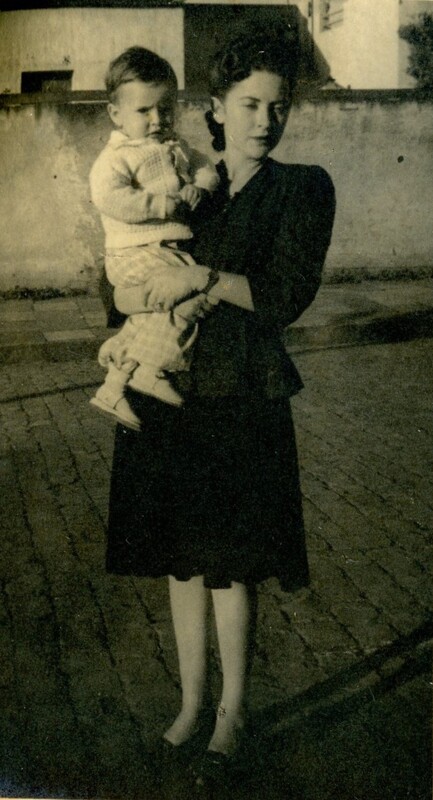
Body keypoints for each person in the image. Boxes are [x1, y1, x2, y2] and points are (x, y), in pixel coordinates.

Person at [102, 29, 336, 786]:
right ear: (216, 106)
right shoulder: (183, 176)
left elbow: (283, 295)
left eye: (278, 105)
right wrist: (132, 303)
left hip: (241, 394)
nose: (265, 120)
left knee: (231, 565)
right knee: (181, 557)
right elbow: (123, 264)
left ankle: (233, 712)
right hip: (169, 390)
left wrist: (198, 277)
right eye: (249, 104)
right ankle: (191, 702)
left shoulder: (302, 187)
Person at [89, 46, 219, 430]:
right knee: (187, 296)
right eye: (144, 110)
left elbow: (207, 168)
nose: (157, 119)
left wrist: (200, 188)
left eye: (165, 108)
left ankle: (115, 384)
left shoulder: (177, 147)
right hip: (134, 251)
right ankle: (150, 370)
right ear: (116, 114)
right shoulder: (117, 156)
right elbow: (110, 197)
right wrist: (161, 204)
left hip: (161, 249)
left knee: (157, 313)